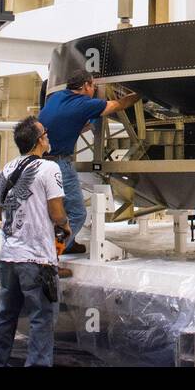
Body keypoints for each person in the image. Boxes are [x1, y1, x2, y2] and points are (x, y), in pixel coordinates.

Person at [0, 116, 69, 367]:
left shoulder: (8, 168)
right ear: (39, 140)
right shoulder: (49, 168)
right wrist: (66, 225)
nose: (48, 136)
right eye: (44, 132)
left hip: (9, 256)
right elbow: (57, 213)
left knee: (6, 315)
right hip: (37, 259)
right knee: (42, 318)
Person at [37, 71, 139, 255]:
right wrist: (141, 92)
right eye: (93, 86)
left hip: (41, 162)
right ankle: (52, 255)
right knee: (77, 213)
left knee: (56, 210)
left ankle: (68, 243)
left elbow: (73, 122)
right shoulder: (83, 103)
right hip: (59, 164)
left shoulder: (56, 97)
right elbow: (119, 104)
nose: (94, 90)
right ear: (85, 86)